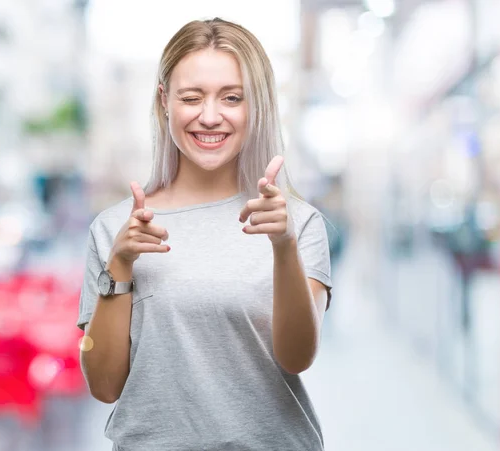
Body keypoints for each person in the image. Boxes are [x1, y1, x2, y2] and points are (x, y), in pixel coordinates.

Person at [78, 17, 333, 451]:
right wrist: (119, 265)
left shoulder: (298, 224)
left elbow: (297, 357)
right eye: (191, 98)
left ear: (257, 105)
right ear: (164, 101)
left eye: (232, 98)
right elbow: (104, 386)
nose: (210, 117)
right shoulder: (115, 229)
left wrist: (283, 247)